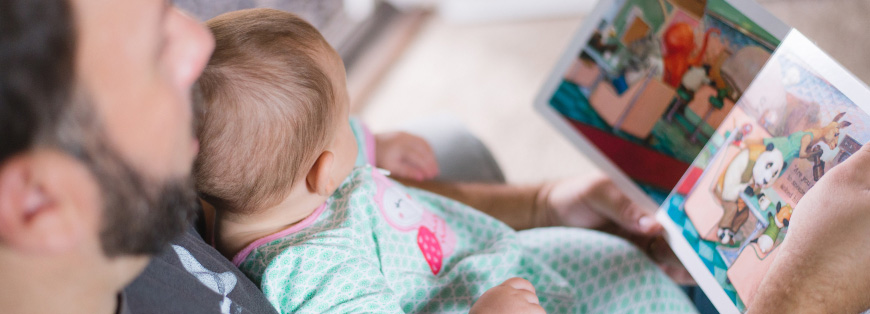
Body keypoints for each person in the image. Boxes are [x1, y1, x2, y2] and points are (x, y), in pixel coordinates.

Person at [2, 0, 868, 313]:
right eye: (155, 48)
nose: (194, 38)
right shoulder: (320, 282)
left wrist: (536, 200)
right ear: (37, 203)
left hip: (498, 264)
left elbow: (358, 201)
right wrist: (807, 297)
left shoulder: (171, 183)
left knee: (450, 138)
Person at [194, 8, 695, 313]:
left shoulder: (277, 191)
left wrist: (373, 143)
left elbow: (316, 146)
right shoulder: (314, 274)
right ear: (323, 172)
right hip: (480, 297)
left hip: (495, 262)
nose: (356, 125)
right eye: (349, 118)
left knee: (628, 262)